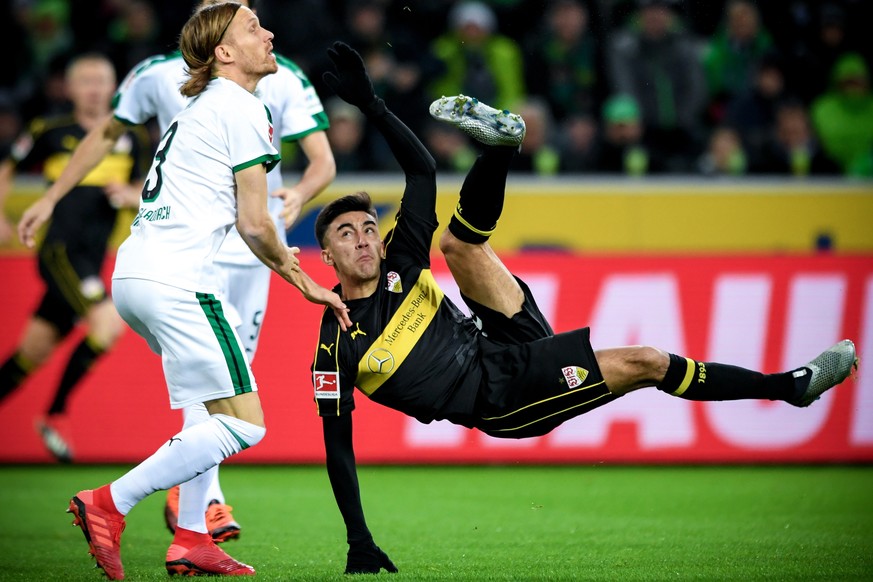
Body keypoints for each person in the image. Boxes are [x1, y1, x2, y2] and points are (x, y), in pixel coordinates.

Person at [310, 42, 858, 575]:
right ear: (327, 255)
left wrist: (373, 105)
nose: (361, 239)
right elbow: (339, 447)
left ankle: (501, 146)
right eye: (345, 234)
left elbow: (423, 171)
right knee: (646, 360)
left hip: (498, 343)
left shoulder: (402, 263)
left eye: (366, 229)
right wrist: (359, 540)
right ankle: (790, 387)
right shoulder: (334, 345)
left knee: (458, 245)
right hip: (499, 398)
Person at [19, 4, 349, 579]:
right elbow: (254, 222)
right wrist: (305, 282)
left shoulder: (202, 105)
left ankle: (193, 538)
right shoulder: (242, 107)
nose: (269, 32)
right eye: (252, 28)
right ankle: (109, 503)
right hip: (183, 280)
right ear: (223, 52)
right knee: (245, 424)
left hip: (138, 276)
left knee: (209, 408)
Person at [0, 52, 150, 462]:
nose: (94, 88)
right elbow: (6, 169)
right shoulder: (50, 130)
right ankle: (55, 414)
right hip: (59, 252)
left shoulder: (132, 136)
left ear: (114, 86)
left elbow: (145, 189)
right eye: (85, 80)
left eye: (101, 80)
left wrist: (130, 195)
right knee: (107, 324)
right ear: (70, 88)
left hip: (94, 256)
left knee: (33, 351)